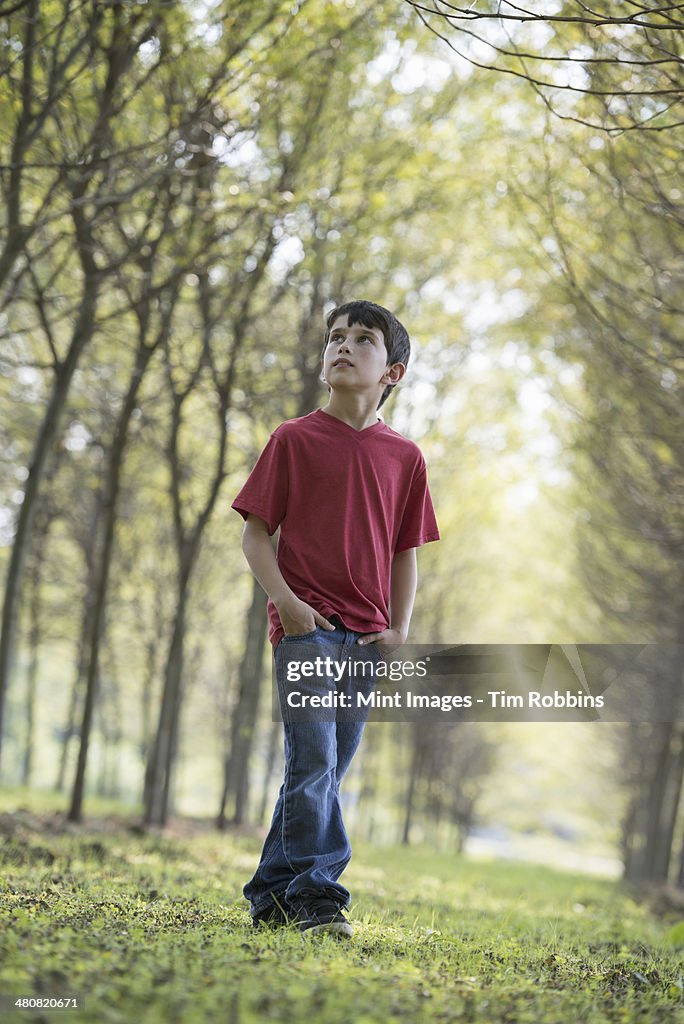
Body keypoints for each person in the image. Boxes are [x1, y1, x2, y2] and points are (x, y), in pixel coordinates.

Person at [231, 299, 439, 937]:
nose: (343, 346)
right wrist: (289, 606)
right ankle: (320, 899)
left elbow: (406, 553)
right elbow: (256, 537)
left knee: (322, 768)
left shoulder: (404, 458)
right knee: (315, 760)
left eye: (363, 339)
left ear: (392, 372)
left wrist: (398, 630)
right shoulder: (294, 439)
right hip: (306, 630)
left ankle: (271, 894)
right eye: (336, 337)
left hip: (367, 637)